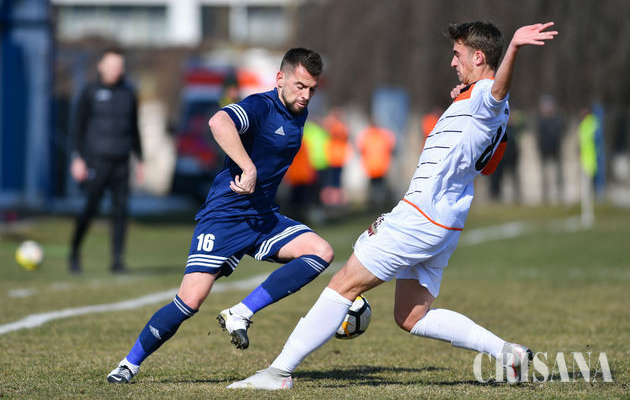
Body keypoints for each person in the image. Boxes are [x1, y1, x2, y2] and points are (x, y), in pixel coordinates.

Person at [228, 21, 558, 390]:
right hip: (445, 221)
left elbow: (496, 90)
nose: (452, 62)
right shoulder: (480, 102)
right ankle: (507, 353)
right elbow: (490, 158)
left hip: (420, 216)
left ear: (478, 57)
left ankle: (278, 373)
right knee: (411, 316)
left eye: (458, 54)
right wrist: (466, 97)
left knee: (342, 285)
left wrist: (513, 48)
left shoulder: (487, 95)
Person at [107, 48, 334, 383]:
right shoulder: (261, 105)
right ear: (280, 78)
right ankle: (128, 364)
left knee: (321, 252)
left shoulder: (299, 112)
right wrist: (247, 167)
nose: (305, 95)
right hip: (225, 216)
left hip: (262, 217)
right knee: (189, 301)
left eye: (312, 89)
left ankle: (241, 312)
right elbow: (218, 121)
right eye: (300, 86)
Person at [68, 47, 143, 274]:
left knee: (120, 212)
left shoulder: (128, 93)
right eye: (111, 65)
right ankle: (74, 251)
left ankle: (117, 260)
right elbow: (78, 126)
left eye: (119, 66)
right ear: (101, 66)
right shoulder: (90, 92)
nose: (115, 70)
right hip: (96, 161)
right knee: (90, 207)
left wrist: (140, 159)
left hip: (122, 161)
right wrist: (77, 157)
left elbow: (135, 129)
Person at [356, 118, 396, 210]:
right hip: (379, 166)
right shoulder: (383, 135)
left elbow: (361, 149)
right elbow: (391, 147)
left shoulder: (367, 135)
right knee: (379, 186)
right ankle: (379, 203)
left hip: (373, 166)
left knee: (375, 187)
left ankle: (376, 203)